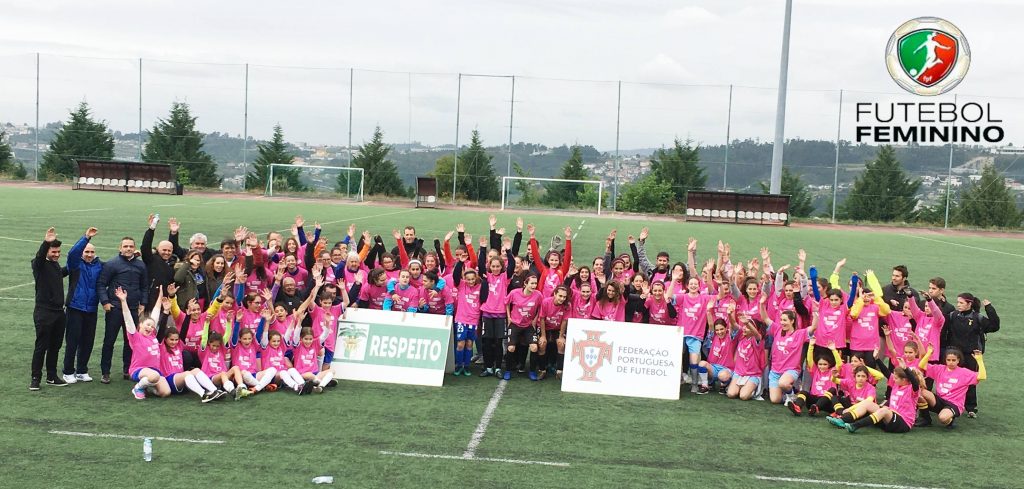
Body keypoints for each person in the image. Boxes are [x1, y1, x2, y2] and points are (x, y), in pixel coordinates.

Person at [96, 235, 148, 384]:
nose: (128, 249)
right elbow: (101, 284)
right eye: (125, 246)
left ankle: (128, 369)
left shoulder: (140, 265)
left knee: (131, 342)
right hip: (115, 309)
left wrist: (143, 303)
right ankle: (105, 372)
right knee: (109, 341)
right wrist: (105, 302)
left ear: (134, 248)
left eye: (131, 246)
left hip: (133, 310)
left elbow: (144, 286)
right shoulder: (112, 264)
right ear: (120, 248)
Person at [940, 294, 997, 418]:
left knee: (970, 380)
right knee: (950, 378)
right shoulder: (953, 315)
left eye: (961, 303)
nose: (958, 305)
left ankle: (971, 407)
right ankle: (947, 403)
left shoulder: (978, 318)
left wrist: (989, 308)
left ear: (969, 304)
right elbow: (940, 320)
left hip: (971, 354)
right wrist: (943, 303)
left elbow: (994, 326)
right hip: (954, 354)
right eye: (958, 302)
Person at [61, 226, 103, 384]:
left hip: (92, 308)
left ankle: (82, 370)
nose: (90, 255)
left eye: (92, 252)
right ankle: (68, 371)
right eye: (87, 252)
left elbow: (114, 269)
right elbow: (72, 253)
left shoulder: (100, 265)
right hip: (75, 307)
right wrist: (86, 238)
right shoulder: (75, 264)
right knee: (72, 340)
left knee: (88, 340)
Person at [113, 286, 170, 399]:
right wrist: (123, 301)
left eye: (152, 326)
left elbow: (156, 313)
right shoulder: (135, 337)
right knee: (154, 376)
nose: (150, 327)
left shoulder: (153, 335)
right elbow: (127, 318)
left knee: (165, 392)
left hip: (154, 371)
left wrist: (160, 298)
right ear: (140, 325)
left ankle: (148, 386)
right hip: (139, 369)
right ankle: (138, 388)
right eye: (147, 325)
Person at [30, 227, 69, 390]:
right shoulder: (38, 264)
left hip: (59, 313)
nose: (56, 254)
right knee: (41, 346)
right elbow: (39, 256)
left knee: (55, 346)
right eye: (53, 252)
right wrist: (46, 242)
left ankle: (51, 376)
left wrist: (76, 261)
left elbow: (61, 273)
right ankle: (35, 378)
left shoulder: (54, 265)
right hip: (44, 312)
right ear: (47, 251)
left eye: (58, 252)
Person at [141, 214, 179, 308]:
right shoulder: (151, 259)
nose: (166, 252)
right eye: (164, 250)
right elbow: (145, 246)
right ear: (158, 249)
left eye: (169, 250)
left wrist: (174, 233)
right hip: (150, 301)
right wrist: (152, 228)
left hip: (166, 302)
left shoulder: (174, 263)